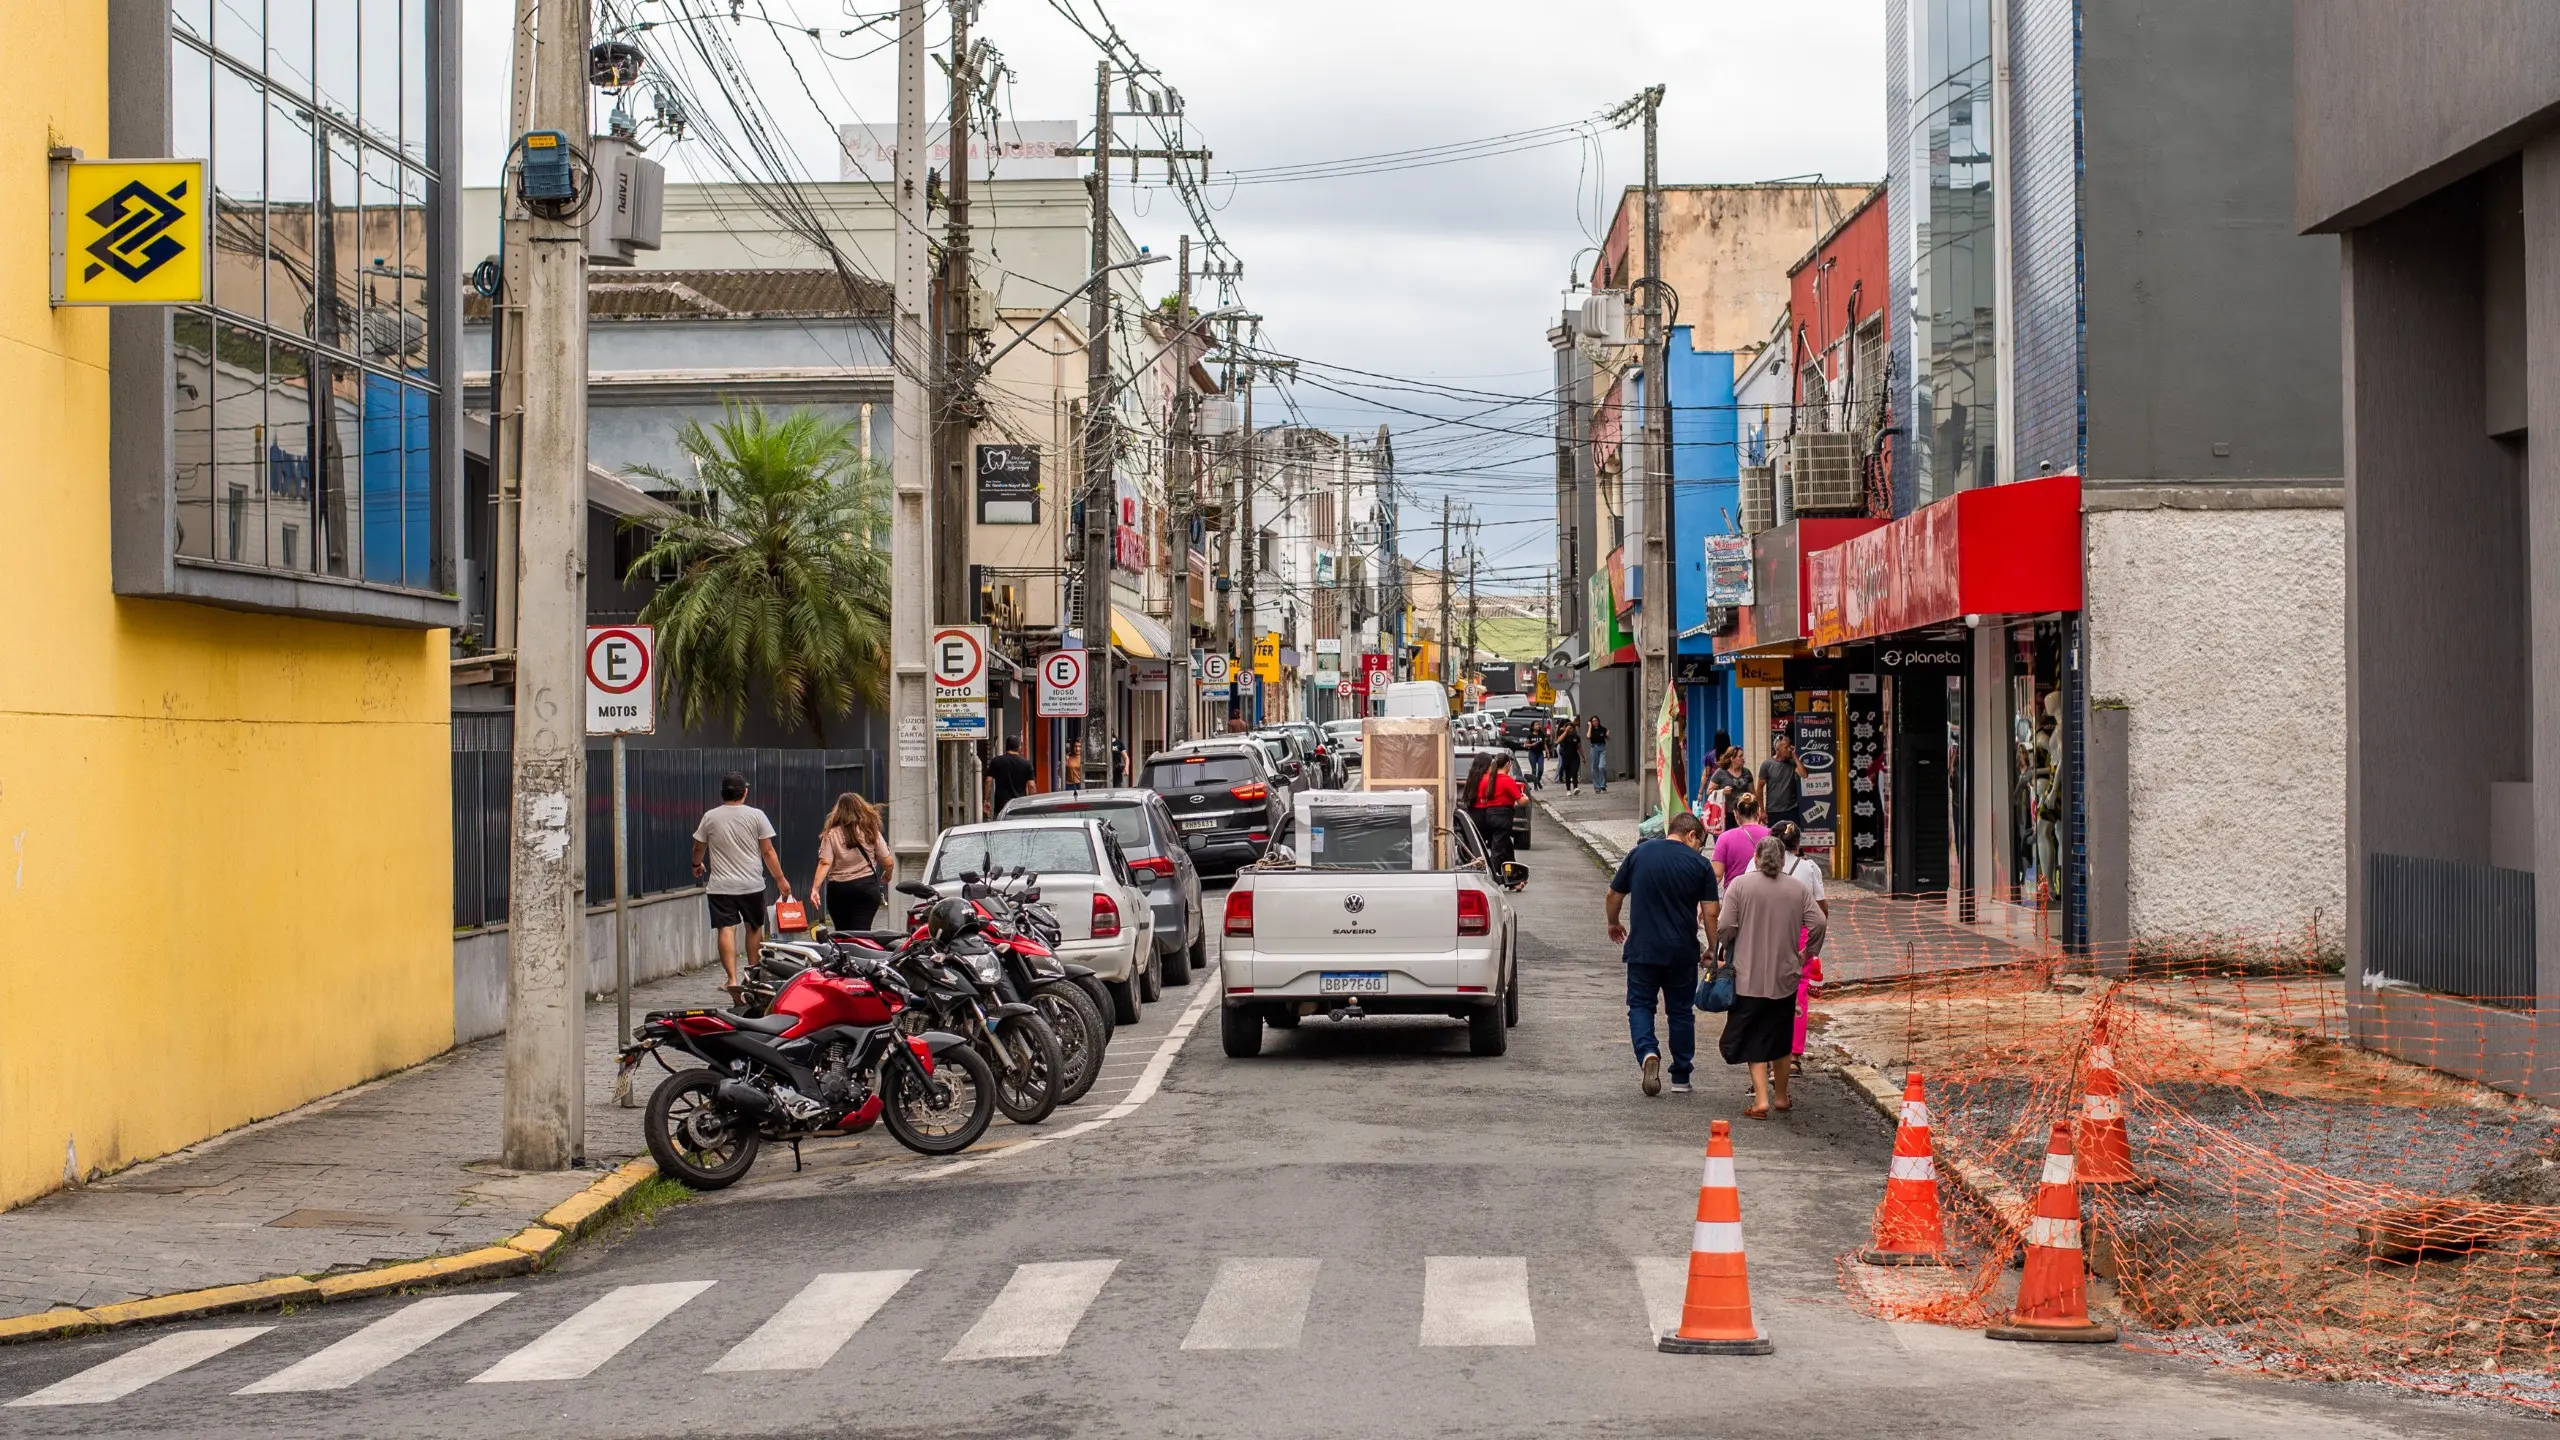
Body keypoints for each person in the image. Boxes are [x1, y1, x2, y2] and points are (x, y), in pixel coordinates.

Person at [1605, 812, 1720, 1096]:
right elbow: (1711, 912)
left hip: (1643, 948)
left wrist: (1613, 922)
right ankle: (1681, 1077)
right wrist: (1712, 948)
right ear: (1691, 834)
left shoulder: (1639, 854)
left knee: (1641, 1006)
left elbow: (1613, 895)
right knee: (1681, 1013)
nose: (1700, 849)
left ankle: (1647, 1052)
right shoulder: (1701, 865)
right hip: (1682, 951)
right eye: (1701, 842)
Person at [1714, 833, 1828, 1118]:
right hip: (1785, 976)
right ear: (1782, 859)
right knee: (1780, 1035)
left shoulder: (1739, 886)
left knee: (1753, 1034)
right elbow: (1819, 923)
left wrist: (1724, 947)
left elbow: (1726, 925)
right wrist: (1807, 954)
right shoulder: (1797, 889)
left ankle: (1761, 1099)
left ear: (1755, 858)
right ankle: (1781, 1097)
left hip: (1747, 975)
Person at [692, 771, 793, 995]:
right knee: (754, 927)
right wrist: (780, 879)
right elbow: (767, 851)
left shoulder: (710, 817)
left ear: (722, 793)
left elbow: (699, 846)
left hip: (721, 886)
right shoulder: (757, 816)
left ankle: (731, 979)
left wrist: (696, 864)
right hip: (752, 884)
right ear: (745, 793)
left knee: (725, 929)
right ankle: (754, 974)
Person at [810, 792, 895, 933]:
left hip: (839, 891)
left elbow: (825, 862)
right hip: (865, 888)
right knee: (862, 932)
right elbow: (887, 861)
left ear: (838, 811)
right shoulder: (870, 830)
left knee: (842, 933)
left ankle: (844, 953)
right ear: (861, 808)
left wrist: (815, 889)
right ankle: (861, 953)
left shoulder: (831, 834)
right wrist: (888, 873)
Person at [1471, 751, 1527, 866]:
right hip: (1503, 816)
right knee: (1498, 848)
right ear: (1507, 764)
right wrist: (1525, 797)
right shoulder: (1507, 780)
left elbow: (1483, 799)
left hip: (1489, 814)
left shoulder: (1487, 780)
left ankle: (1512, 872)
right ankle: (1492, 871)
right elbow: (1521, 801)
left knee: (1504, 846)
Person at [1710, 793, 1769, 887]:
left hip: (1734, 893)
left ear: (1735, 814)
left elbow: (1717, 875)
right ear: (1758, 811)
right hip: (1765, 892)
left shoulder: (1725, 838)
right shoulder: (1772, 835)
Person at [1756, 734, 1808, 830]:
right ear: (1777, 749)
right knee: (1776, 841)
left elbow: (1804, 774)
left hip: (1791, 811)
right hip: (1773, 811)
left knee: (1791, 839)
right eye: (1786, 747)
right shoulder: (1767, 764)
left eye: (1789, 746)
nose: (1789, 749)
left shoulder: (1792, 763)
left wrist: (1794, 755)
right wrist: (1762, 810)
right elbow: (1759, 788)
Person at [1703, 747, 1753, 829]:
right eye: (1740, 756)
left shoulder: (1747, 772)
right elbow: (1708, 791)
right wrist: (1722, 791)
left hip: (1743, 812)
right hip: (1726, 814)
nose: (1743, 758)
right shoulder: (1721, 772)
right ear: (1732, 758)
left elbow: (1752, 792)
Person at [986, 734, 1035, 816]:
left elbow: (988, 781)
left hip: (1001, 805)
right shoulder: (1026, 763)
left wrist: (986, 800)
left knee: (1001, 826)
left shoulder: (996, 761)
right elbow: (1031, 786)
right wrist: (1033, 803)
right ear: (1020, 747)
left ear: (1006, 746)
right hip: (1020, 804)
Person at [1556, 721, 1585, 794]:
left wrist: (1583, 756)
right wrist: (1565, 731)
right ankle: (1568, 790)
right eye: (1568, 728)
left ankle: (1576, 787)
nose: (1570, 730)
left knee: (1574, 771)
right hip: (1566, 757)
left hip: (1575, 757)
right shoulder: (1564, 735)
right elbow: (1558, 741)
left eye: (1571, 728)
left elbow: (1579, 747)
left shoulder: (1576, 737)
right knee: (1568, 774)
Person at [1587, 715, 1611, 792]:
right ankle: (1597, 786)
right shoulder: (1591, 730)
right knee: (1594, 767)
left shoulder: (1602, 729)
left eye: (1596, 720)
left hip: (1602, 748)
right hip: (1594, 748)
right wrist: (1590, 726)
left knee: (1602, 766)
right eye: (1593, 721)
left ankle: (1603, 785)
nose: (1595, 722)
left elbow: (1608, 738)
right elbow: (1588, 736)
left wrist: (1607, 735)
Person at [1523, 721, 1549, 790]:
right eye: (1536, 725)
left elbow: (1544, 744)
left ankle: (1538, 781)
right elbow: (1525, 744)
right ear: (1533, 727)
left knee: (1541, 769)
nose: (1538, 726)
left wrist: (1547, 752)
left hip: (1540, 754)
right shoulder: (1530, 735)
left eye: (1539, 724)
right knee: (1534, 769)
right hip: (1532, 753)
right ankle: (1535, 785)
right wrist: (1532, 745)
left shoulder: (1542, 734)